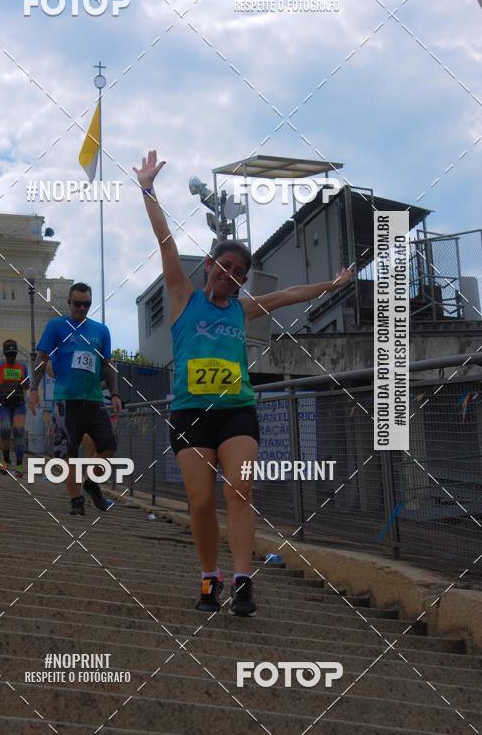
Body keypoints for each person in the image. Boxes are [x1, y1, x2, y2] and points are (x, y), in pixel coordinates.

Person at [135, 150, 353, 616]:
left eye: (239, 273)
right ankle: (209, 579)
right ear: (209, 266)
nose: (230, 276)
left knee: (241, 489)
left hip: (237, 410)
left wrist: (331, 287)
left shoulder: (242, 308)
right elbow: (166, 240)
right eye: (225, 266)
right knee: (199, 501)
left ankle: (242, 580)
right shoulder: (181, 297)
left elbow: (288, 294)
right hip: (191, 413)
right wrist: (148, 189)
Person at [29, 283, 122, 515]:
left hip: (93, 400)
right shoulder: (56, 326)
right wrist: (33, 390)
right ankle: (76, 501)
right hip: (66, 401)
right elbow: (41, 358)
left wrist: (116, 394)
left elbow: (107, 366)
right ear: (69, 303)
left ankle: (90, 483)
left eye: (87, 304)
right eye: (77, 303)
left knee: (109, 444)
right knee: (67, 453)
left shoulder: (101, 330)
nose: (82, 308)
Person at [0, 340, 29, 478]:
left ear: (16, 353)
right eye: (8, 355)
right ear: (5, 355)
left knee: (18, 431)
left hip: (19, 405)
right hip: (4, 405)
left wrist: (23, 380)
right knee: (5, 430)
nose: (11, 357)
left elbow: (27, 386)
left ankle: (19, 465)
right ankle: (6, 461)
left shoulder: (22, 367)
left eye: (13, 354)